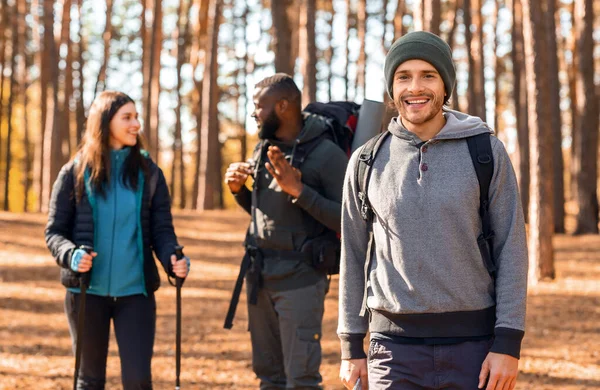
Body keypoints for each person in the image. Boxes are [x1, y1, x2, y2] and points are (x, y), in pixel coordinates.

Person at [338, 31, 528, 390]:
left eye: (428, 75)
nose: (415, 88)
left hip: (475, 349)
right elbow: (353, 256)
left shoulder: (486, 152)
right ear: (392, 88)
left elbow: (512, 249)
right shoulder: (366, 160)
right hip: (391, 353)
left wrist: (508, 344)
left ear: (445, 86)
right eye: (403, 77)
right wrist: (351, 346)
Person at [45, 90, 190, 389]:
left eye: (136, 117)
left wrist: (172, 258)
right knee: (89, 380)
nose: (136, 124)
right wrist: (72, 254)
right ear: (105, 122)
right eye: (127, 117)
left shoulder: (150, 174)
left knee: (138, 380)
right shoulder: (74, 172)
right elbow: (54, 232)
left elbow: (162, 231)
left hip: (135, 294)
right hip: (86, 294)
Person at [224, 73, 348, 389]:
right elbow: (265, 214)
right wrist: (239, 190)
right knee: (269, 378)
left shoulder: (327, 155)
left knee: (302, 380)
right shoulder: (263, 146)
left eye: (258, 107)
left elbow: (350, 222)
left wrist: (299, 190)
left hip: (301, 281)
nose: (253, 113)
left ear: (282, 106)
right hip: (259, 277)